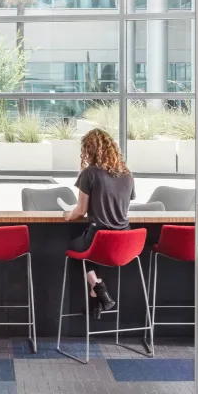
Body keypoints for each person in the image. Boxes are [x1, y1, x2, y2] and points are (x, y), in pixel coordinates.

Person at [63, 129, 135, 318]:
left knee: (74, 249)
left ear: (89, 150)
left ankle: (99, 286)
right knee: (92, 252)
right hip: (124, 240)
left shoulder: (90, 173)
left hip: (100, 237)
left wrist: (67, 215)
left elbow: (80, 210)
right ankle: (95, 298)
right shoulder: (127, 173)